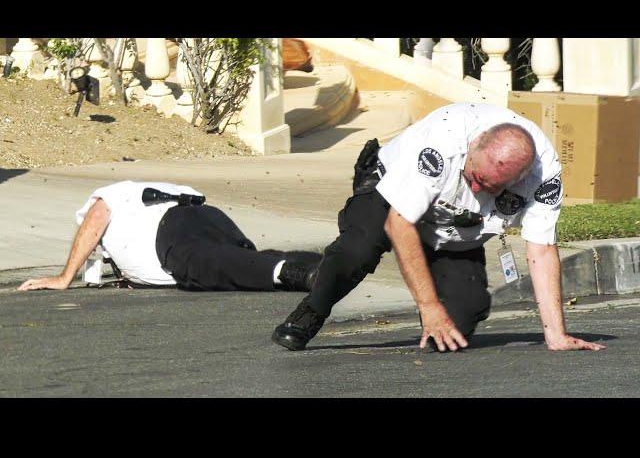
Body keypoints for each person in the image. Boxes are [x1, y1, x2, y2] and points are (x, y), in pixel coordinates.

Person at [272, 102, 606, 353]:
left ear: (521, 178)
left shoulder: (544, 174)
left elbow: (542, 249)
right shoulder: (443, 141)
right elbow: (399, 223)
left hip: (454, 229)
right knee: (357, 251)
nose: (477, 190)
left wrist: (556, 335)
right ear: (473, 146)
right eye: (475, 178)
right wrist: (428, 307)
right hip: (391, 198)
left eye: (491, 187)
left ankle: (436, 303)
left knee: (456, 327)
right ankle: (315, 302)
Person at [18, 181, 321, 293]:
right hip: (209, 216)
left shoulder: (109, 198)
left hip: (173, 227)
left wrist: (64, 277)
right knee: (240, 260)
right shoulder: (144, 194)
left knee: (201, 262)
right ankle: (325, 264)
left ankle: (299, 274)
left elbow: (95, 219)